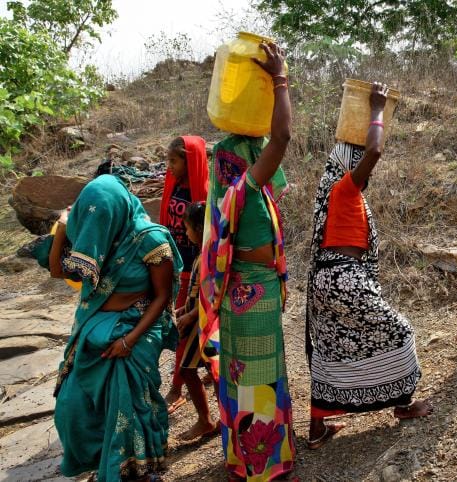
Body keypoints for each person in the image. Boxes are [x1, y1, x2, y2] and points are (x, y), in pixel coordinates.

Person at [305, 82, 433, 450]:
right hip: (346, 277)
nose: (367, 171)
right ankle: (403, 404)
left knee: (331, 349)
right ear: (350, 163)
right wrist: (377, 108)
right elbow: (374, 150)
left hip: (327, 279)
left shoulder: (336, 193)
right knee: (399, 333)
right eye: (357, 162)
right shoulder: (344, 188)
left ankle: (317, 430)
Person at [197, 41, 296, 480]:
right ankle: (260, 465)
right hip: (249, 291)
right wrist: (279, 80)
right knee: (256, 374)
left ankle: (254, 455)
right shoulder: (241, 181)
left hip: (255, 287)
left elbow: (271, 145)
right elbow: (283, 138)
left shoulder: (248, 178)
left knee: (259, 373)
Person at [48, 174, 182, 481]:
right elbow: (58, 270)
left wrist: (130, 341)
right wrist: (63, 229)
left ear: (119, 209)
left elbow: (162, 297)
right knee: (71, 406)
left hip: (136, 330)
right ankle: (104, 463)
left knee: (125, 406)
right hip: (93, 329)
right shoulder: (98, 234)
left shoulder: (150, 239)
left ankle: (133, 470)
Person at [160, 135, 209, 414]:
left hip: (195, 269)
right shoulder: (175, 187)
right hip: (176, 265)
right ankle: (199, 375)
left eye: (174, 160)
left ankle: (177, 387)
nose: (170, 166)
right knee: (184, 325)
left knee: (186, 327)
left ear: (190, 161)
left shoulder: (203, 195)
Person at [173, 201, 217, 440]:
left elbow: (210, 295)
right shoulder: (204, 254)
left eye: (187, 228)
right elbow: (196, 292)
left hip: (200, 325)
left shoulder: (208, 256)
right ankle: (216, 419)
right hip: (197, 321)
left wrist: (190, 315)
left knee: (188, 371)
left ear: (199, 229)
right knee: (213, 370)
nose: (185, 233)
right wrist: (184, 308)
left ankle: (205, 420)